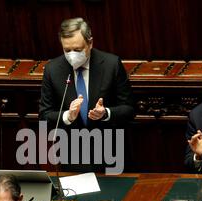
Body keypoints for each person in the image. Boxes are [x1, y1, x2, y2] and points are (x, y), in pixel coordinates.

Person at [39, 17, 134, 172]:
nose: (72, 55)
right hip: (72, 156)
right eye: (67, 50)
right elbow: (44, 115)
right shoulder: (53, 70)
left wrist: (106, 113)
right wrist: (67, 116)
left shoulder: (111, 65)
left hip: (110, 154)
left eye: (77, 50)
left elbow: (129, 109)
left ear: (90, 43)